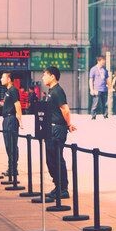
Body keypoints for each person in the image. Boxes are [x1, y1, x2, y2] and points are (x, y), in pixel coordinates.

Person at [42, 66, 76, 199]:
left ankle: (63, 189)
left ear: (52, 76)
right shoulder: (51, 91)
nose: (43, 77)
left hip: (57, 129)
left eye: (45, 75)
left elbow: (65, 110)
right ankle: (58, 186)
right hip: (51, 128)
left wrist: (68, 124)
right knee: (51, 160)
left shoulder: (58, 91)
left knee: (57, 159)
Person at [0, 72, 23, 178]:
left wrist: (20, 120)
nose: (1, 79)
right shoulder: (8, 91)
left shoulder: (13, 90)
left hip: (11, 119)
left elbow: (17, 104)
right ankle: (11, 168)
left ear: (9, 79)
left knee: (12, 144)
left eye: (3, 77)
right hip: (6, 119)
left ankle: (13, 169)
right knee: (8, 145)